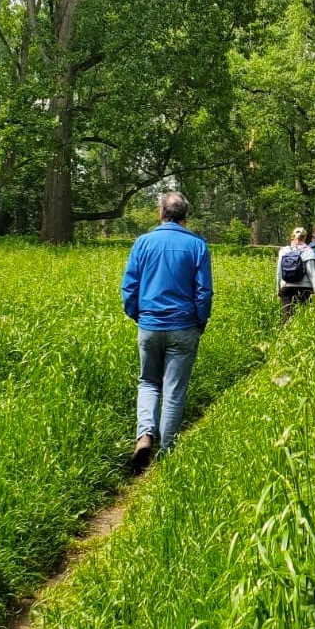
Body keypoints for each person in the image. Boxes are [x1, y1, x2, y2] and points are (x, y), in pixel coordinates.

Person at [121, 191, 213, 474]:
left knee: (148, 382)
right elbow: (203, 291)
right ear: (185, 216)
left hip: (149, 325)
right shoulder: (197, 246)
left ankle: (145, 436)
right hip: (184, 326)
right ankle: (167, 450)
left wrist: (138, 315)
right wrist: (200, 321)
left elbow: (129, 286)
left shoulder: (143, 243)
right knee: (174, 390)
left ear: (160, 213)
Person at [276, 226, 315, 323]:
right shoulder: (308, 251)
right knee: (303, 317)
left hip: (286, 287)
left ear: (292, 236)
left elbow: (279, 272)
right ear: (304, 237)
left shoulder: (284, 251)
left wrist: (278, 290)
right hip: (304, 288)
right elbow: (312, 273)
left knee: (286, 315)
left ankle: (282, 335)